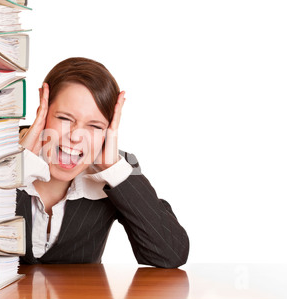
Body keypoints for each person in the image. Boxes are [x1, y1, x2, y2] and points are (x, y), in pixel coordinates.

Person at [17, 57, 189, 268]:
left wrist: (114, 171)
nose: (76, 136)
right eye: (64, 118)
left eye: (95, 126)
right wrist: (18, 165)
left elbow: (170, 254)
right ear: (42, 111)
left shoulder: (117, 170)